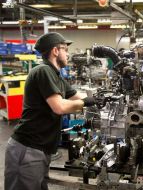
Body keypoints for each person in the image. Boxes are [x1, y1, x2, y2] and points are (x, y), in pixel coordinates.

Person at [4, 32, 97, 190]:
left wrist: (100, 98)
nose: (68, 54)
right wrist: (84, 103)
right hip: (27, 148)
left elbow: (76, 96)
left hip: (40, 149)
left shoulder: (56, 76)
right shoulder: (43, 71)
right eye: (65, 50)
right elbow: (59, 107)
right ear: (55, 51)